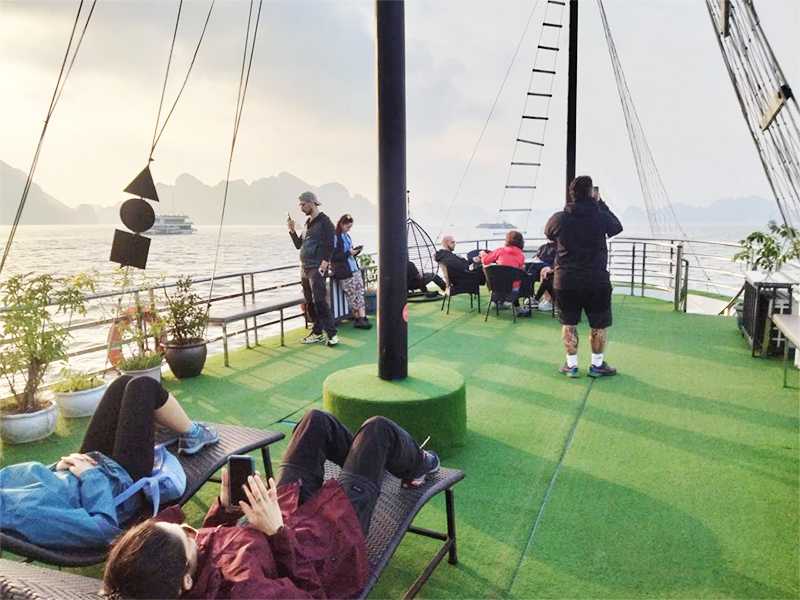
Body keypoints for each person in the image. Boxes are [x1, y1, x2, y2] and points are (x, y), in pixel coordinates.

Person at [102, 409, 440, 599]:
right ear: (185, 584)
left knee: (315, 422)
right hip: (327, 544)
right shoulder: (248, 590)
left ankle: (369, 463)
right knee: (377, 430)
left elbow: (208, 544)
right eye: (187, 535)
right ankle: (418, 465)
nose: (193, 531)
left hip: (280, 515)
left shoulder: (172, 570)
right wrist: (277, 532)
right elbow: (314, 595)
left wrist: (226, 508)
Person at [0, 375, 218, 549]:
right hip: (119, 487)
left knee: (122, 383)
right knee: (143, 386)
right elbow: (103, 530)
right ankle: (194, 433)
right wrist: (90, 476)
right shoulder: (23, 514)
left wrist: (57, 467)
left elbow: (37, 479)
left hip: (88, 470)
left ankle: (169, 424)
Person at [544, 175, 623, 378]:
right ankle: (597, 365)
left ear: (572, 194)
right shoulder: (600, 216)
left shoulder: (560, 218)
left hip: (566, 281)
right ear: (591, 193)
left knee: (569, 324)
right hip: (596, 280)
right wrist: (601, 203)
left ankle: (571, 366)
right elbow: (616, 227)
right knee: (598, 325)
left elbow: (549, 233)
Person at [288, 191, 338, 347]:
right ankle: (317, 332)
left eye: (303, 204)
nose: (301, 208)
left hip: (316, 268)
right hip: (304, 268)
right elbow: (299, 245)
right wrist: (291, 230)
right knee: (309, 302)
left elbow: (331, 243)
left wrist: (325, 262)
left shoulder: (325, 222)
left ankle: (332, 335)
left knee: (320, 301)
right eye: (300, 205)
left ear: (311, 203)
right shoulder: (307, 223)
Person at [331, 214, 372, 330]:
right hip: (345, 271)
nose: (349, 229)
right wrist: (349, 253)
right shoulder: (335, 237)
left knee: (359, 292)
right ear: (341, 224)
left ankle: (361, 318)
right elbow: (333, 257)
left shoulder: (346, 236)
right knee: (353, 295)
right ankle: (359, 318)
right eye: (347, 227)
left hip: (354, 268)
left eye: (350, 227)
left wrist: (355, 251)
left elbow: (348, 253)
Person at [481, 230, 529, 315]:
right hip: (513, 292)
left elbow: (485, 261)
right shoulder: (521, 255)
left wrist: (483, 254)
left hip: (495, 290)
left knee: (501, 277)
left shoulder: (500, 251)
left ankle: (499, 302)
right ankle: (517, 307)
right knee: (516, 279)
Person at [526, 241, 556, 311]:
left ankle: (548, 300)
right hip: (539, 268)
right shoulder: (543, 247)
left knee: (545, 271)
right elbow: (536, 257)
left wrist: (552, 268)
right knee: (529, 269)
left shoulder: (560, 247)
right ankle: (531, 296)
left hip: (551, 269)